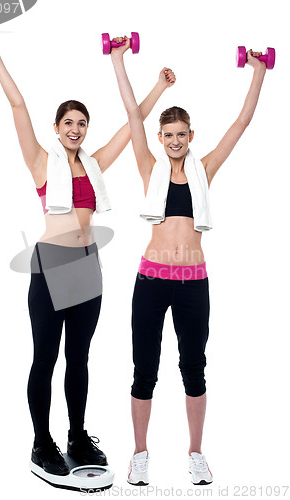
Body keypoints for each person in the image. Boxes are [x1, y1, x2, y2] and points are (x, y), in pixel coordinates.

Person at [0, 27, 175, 476]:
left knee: (79, 359)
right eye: (68, 123)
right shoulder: (41, 161)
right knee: (45, 358)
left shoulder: (95, 163)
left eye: (81, 124)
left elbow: (133, 127)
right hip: (51, 265)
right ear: (56, 128)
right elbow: (17, 105)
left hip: (87, 268)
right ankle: (41, 442)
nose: (75, 129)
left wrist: (158, 89)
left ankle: (77, 436)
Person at [110, 38, 267, 485]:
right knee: (144, 368)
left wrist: (257, 73)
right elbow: (132, 115)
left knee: (193, 366)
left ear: (190, 137)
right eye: (169, 136)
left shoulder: (206, 168)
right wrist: (120, 61)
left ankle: (196, 453)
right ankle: (140, 453)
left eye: (182, 135)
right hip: (151, 279)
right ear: (160, 139)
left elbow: (240, 123)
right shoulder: (147, 165)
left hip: (193, 282)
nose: (175, 141)